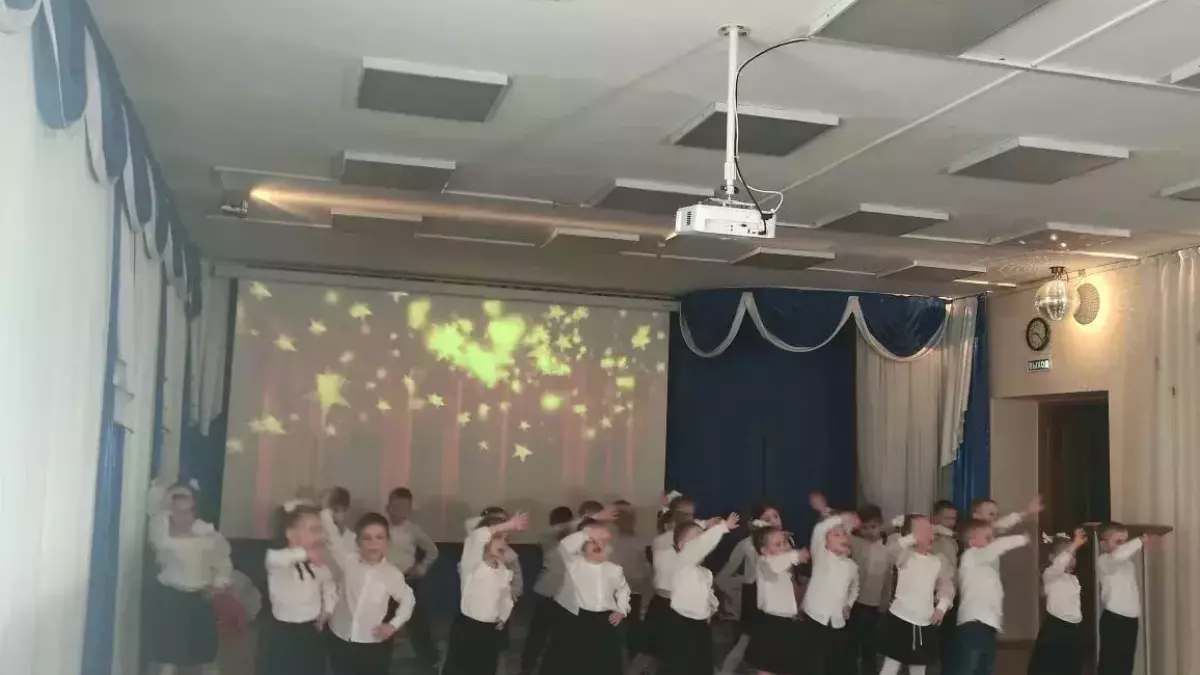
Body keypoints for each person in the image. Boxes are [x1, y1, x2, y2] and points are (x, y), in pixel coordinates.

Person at [145, 478, 235, 675]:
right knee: (167, 657)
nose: (178, 501)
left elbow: (223, 562)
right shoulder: (160, 528)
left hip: (199, 599)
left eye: (183, 496)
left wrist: (218, 585)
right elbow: (159, 542)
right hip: (169, 598)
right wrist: (166, 503)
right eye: (174, 496)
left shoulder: (206, 532)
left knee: (205, 656)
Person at [319, 497, 416, 675]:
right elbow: (333, 538)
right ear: (358, 542)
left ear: (387, 542)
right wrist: (326, 510)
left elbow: (408, 600)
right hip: (341, 637)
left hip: (373, 643)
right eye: (367, 538)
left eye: (379, 537)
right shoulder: (348, 561)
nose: (373, 543)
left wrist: (393, 625)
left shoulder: (392, 574)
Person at [441, 512, 530, 675]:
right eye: (498, 537)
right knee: (459, 669)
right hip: (468, 629)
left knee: (485, 668)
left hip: (490, 630)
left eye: (506, 539)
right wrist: (508, 525)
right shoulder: (472, 564)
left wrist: (502, 617)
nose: (503, 543)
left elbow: (506, 598)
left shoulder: (503, 570)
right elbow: (478, 534)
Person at [262, 501, 337, 675]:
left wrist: (328, 609)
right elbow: (273, 559)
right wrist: (304, 553)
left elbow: (329, 583)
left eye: (319, 530)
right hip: (283, 632)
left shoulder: (317, 562)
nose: (319, 535)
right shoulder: (279, 560)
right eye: (313, 530)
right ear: (291, 533)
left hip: (311, 629)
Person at [660, 511, 740, 675]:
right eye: (697, 538)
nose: (702, 542)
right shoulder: (683, 562)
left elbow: (708, 596)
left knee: (701, 664)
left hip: (701, 625)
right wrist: (722, 527)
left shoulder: (704, 572)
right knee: (681, 666)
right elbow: (701, 545)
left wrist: (711, 611)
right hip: (681, 623)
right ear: (682, 546)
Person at [550, 520, 632, 675]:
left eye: (603, 543)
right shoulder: (574, 564)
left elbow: (623, 591)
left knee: (606, 662)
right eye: (592, 542)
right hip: (581, 619)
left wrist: (622, 610)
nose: (598, 545)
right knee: (580, 661)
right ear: (583, 546)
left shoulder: (614, 569)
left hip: (606, 620)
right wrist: (587, 534)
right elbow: (563, 547)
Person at [952, 518, 1032, 675]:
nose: (993, 541)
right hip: (973, 622)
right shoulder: (970, 556)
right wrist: (1021, 539)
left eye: (993, 537)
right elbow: (996, 548)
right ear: (971, 541)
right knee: (970, 667)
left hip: (987, 625)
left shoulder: (986, 567)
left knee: (985, 667)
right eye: (988, 537)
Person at [877, 515, 955, 675]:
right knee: (891, 665)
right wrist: (911, 538)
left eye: (930, 530)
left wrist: (941, 607)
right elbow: (889, 551)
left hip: (924, 621)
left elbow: (946, 585)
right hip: (899, 618)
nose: (929, 534)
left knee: (919, 668)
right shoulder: (905, 556)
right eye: (923, 531)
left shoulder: (938, 561)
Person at [717, 504, 782, 675]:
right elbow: (724, 576)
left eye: (776, 516)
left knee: (774, 644)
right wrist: (736, 590)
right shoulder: (747, 545)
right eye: (767, 519)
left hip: (779, 600)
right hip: (755, 598)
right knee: (746, 640)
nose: (773, 521)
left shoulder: (786, 542)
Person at [385, 487, 441, 674]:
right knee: (383, 620)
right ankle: (381, 658)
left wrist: (422, 568)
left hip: (406, 580)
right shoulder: (381, 527)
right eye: (395, 507)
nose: (399, 512)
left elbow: (432, 551)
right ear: (388, 507)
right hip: (383, 582)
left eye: (403, 508)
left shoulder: (412, 530)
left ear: (409, 510)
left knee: (417, 622)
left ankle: (428, 659)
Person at [803, 506, 861, 675]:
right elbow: (820, 530)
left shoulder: (852, 566)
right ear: (825, 542)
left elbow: (854, 588)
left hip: (837, 621)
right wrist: (842, 518)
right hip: (815, 617)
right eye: (836, 534)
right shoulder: (821, 557)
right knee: (814, 663)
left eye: (844, 534)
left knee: (835, 662)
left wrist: (849, 604)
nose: (842, 537)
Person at [1096, 523, 1161, 675]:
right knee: (1110, 666)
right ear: (1103, 544)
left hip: (1130, 621)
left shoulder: (1128, 564)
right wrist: (1139, 541)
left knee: (1125, 665)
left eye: (1125, 541)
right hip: (1114, 620)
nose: (1122, 545)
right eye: (1118, 541)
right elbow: (1119, 555)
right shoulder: (1104, 561)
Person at [744, 526, 810, 675]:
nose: (784, 547)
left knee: (784, 666)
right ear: (764, 550)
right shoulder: (764, 563)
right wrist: (795, 555)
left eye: (784, 543)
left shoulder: (784, 568)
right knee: (766, 667)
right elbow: (775, 565)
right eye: (777, 544)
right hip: (770, 623)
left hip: (786, 623)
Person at [520, 505, 575, 675]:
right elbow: (555, 533)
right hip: (547, 593)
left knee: (563, 637)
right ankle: (527, 668)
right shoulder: (547, 539)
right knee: (537, 634)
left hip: (566, 596)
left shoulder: (578, 541)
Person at [1027, 529, 1087, 675]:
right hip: (1056, 628)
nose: (1071, 559)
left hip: (1073, 629)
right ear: (1052, 557)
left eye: (1074, 555)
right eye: (1067, 554)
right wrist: (1074, 544)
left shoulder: (1073, 579)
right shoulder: (1050, 574)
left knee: (1071, 666)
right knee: (1051, 666)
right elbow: (1059, 564)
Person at [849, 505, 890, 675]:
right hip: (853, 603)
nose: (869, 532)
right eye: (864, 527)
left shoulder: (887, 548)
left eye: (873, 527)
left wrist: (885, 601)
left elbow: (888, 578)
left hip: (874, 604)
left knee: (870, 645)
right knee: (850, 643)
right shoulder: (853, 543)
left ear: (881, 525)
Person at [609, 499, 653, 658]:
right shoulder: (608, 541)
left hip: (638, 596)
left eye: (630, 516)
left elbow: (651, 569)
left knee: (635, 635)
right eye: (622, 515)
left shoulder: (646, 541)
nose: (628, 520)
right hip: (613, 597)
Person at [929, 500, 960, 669]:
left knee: (948, 642)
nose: (951, 522)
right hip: (933, 595)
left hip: (950, 594)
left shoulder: (952, 541)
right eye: (947, 518)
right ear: (935, 517)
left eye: (954, 518)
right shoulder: (931, 538)